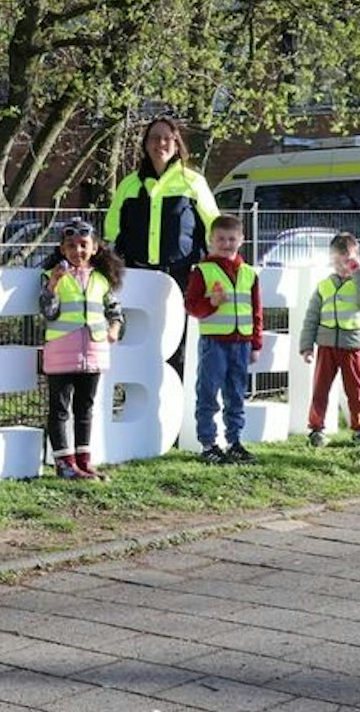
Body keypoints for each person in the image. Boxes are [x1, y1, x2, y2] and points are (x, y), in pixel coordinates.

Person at [103, 116, 221, 373]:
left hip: (182, 277)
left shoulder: (193, 182)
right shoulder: (129, 185)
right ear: (145, 144)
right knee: (140, 341)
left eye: (168, 138)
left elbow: (215, 226)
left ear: (177, 144)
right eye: (155, 137)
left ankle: (178, 402)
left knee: (178, 345)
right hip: (138, 275)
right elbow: (112, 232)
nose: (161, 143)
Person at [39, 219, 124, 479]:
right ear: (62, 250)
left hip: (94, 354)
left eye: (84, 245)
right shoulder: (52, 276)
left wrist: (114, 329)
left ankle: (83, 460)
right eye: (71, 246)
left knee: (85, 408)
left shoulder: (102, 279)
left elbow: (115, 310)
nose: (78, 251)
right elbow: (48, 312)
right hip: (61, 354)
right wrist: (53, 284)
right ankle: (64, 463)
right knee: (60, 408)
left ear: (95, 247)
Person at [183, 213, 262, 464]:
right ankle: (208, 444)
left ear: (242, 240)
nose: (226, 244)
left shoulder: (249, 273)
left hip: (241, 344)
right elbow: (192, 306)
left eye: (231, 239)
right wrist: (211, 303)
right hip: (214, 343)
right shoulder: (203, 271)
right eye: (221, 239)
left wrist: (256, 343)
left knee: (236, 394)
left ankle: (234, 441)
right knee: (208, 393)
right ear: (211, 240)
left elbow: (257, 311)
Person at [299, 232, 360, 448]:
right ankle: (316, 429)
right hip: (326, 346)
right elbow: (311, 316)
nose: (342, 266)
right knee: (320, 389)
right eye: (336, 261)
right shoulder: (324, 285)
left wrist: (358, 272)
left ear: (358, 259)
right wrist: (306, 345)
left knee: (355, 390)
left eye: (348, 261)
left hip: (353, 346)